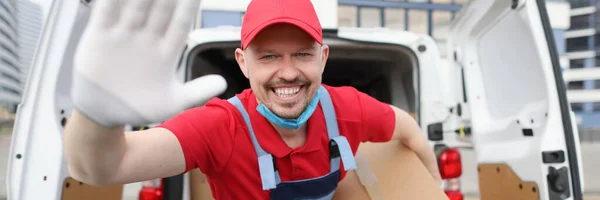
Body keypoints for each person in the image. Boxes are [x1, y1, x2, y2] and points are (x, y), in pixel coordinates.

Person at [64, 0, 442, 199]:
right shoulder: (219, 126)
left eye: (303, 54)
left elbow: (409, 130)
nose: (289, 72)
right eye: (269, 56)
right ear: (243, 63)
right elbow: (100, 170)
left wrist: (433, 187)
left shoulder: (345, 108)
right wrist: (97, 113)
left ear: (323, 58)